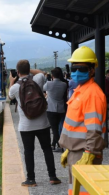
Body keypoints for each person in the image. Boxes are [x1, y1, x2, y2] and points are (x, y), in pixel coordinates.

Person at [59, 46, 107, 195]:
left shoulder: (92, 94)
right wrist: (69, 147)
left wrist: (88, 153)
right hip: (77, 150)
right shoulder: (80, 90)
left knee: (84, 192)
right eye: (74, 68)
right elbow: (77, 125)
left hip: (85, 152)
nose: (77, 72)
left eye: (82, 69)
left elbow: (94, 129)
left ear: (92, 70)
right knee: (75, 190)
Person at [9, 60, 61, 187]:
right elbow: (41, 73)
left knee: (28, 151)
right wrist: (28, 70)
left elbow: (10, 97)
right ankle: (53, 177)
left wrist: (12, 79)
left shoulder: (15, 87)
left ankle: (31, 179)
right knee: (47, 149)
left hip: (26, 126)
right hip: (43, 124)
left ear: (17, 72)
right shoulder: (38, 80)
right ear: (29, 69)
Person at [43, 68, 67, 152]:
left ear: (52, 75)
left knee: (54, 129)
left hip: (51, 108)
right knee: (56, 127)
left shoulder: (49, 83)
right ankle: (53, 144)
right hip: (60, 109)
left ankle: (60, 146)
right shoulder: (64, 84)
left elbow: (43, 88)